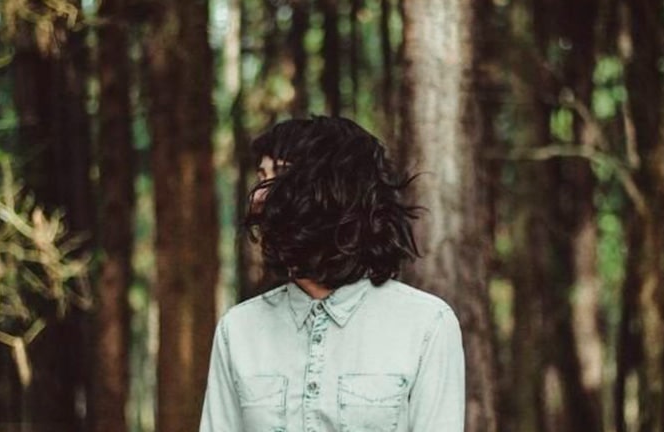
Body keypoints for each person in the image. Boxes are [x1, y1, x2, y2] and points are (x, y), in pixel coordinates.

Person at [199, 116, 465, 432]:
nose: (259, 196)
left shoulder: (426, 325)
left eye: (279, 175)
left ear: (335, 189)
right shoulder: (238, 330)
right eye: (260, 177)